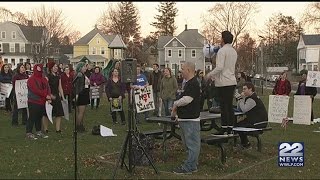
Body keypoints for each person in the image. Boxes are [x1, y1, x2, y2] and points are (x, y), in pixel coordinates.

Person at [171, 62, 201, 175]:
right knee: (187, 144)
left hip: (191, 119)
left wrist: (175, 104)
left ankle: (190, 167)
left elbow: (187, 99)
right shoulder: (188, 83)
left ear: (188, 70)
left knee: (192, 144)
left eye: (182, 69)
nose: (181, 71)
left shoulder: (194, 83)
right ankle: (191, 162)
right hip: (185, 118)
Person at [206, 31, 238, 136]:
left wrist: (210, 74)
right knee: (229, 106)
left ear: (223, 39)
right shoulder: (234, 51)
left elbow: (220, 67)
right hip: (232, 81)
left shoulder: (221, 51)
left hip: (223, 82)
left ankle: (224, 128)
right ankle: (231, 128)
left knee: (223, 106)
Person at [235, 82, 268, 148]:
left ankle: (246, 144)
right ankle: (244, 143)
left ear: (250, 89)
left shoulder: (252, 99)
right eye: (243, 89)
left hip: (259, 123)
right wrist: (241, 99)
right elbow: (239, 108)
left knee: (238, 127)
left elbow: (244, 109)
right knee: (237, 125)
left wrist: (240, 99)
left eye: (245, 89)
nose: (243, 91)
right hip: (254, 120)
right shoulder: (249, 97)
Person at [26, 64, 50, 139]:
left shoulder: (43, 79)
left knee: (39, 117)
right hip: (33, 101)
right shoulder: (31, 79)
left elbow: (47, 87)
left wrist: (48, 95)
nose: (39, 70)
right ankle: (29, 132)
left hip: (42, 102)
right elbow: (35, 90)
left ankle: (38, 131)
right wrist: (45, 95)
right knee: (32, 117)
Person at [42, 62, 65, 133]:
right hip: (49, 96)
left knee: (59, 113)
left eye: (56, 66)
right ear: (51, 68)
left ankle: (58, 129)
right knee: (46, 113)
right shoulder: (47, 77)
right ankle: (46, 129)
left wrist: (63, 97)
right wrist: (49, 96)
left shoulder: (58, 77)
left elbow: (60, 87)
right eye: (54, 66)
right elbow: (44, 87)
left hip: (56, 96)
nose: (56, 68)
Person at [73, 62, 90, 132]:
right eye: (84, 67)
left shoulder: (83, 74)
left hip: (84, 93)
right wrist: (77, 95)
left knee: (82, 112)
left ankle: (81, 126)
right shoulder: (79, 75)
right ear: (80, 68)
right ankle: (78, 126)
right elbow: (77, 86)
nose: (85, 68)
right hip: (81, 94)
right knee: (80, 112)